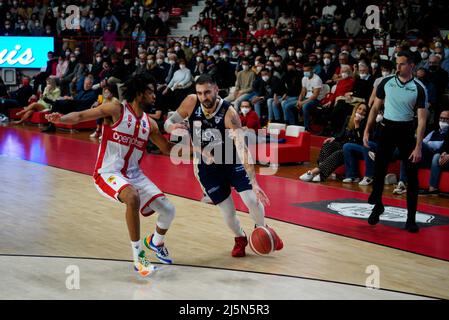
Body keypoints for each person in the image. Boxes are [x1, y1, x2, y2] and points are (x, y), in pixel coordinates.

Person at [45, 74, 176, 277]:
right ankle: (139, 258)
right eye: (150, 91)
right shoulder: (116, 109)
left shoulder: (149, 124)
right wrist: (60, 118)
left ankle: (155, 243)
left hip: (134, 175)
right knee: (132, 197)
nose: (154, 96)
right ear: (140, 93)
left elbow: (167, 149)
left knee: (168, 210)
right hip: (107, 173)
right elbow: (81, 116)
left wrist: (200, 148)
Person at [164, 75, 283, 257]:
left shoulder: (230, 113)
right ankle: (240, 238)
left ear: (216, 90)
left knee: (251, 199)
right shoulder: (190, 102)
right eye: (200, 93)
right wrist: (172, 128)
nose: (204, 97)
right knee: (228, 212)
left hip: (231, 160)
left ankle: (263, 229)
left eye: (207, 92)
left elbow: (242, 149)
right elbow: (167, 123)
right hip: (206, 167)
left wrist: (254, 182)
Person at [363, 51, 428, 233]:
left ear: (411, 66)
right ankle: (378, 206)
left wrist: (418, 146)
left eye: (402, 64)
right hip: (386, 128)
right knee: (379, 168)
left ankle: (411, 219)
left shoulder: (419, 88)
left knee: (412, 176)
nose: (397, 67)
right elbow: (375, 107)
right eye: (397, 64)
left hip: (406, 130)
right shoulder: (386, 82)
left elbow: (422, 120)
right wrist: (367, 130)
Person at [299, 102, 368, 183]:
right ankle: (321, 173)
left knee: (339, 153)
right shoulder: (349, 118)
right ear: (356, 109)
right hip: (344, 143)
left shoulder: (366, 123)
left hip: (352, 148)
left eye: (364, 110)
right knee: (328, 144)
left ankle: (316, 172)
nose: (361, 111)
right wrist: (334, 138)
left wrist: (357, 125)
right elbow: (342, 134)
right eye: (359, 109)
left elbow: (359, 140)